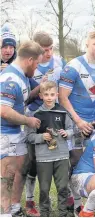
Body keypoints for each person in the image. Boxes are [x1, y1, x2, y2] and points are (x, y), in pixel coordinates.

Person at [59, 30, 95, 212]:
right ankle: (76, 203)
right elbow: (63, 98)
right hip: (72, 122)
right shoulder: (73, 66)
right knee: (75, 161)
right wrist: (78, 121)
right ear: (87, 45)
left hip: (93, 124)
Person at [24, 31, 66, 217]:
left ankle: (67, 197)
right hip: (34, 114)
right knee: (33, 161)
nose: (48, 53)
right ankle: (30, 200)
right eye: (44, 50)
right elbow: (24, 98)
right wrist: (40, 87)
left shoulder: (59, 62)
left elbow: (64, 88)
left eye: (50, 49)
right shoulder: (28, 65)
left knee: (61, 156)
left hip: (55, 114)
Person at [0, 41, 44, 216]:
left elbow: (20, 101)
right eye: (38, 64)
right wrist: (27, 120)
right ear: (30, 60)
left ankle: (15, 207)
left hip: (17, 133)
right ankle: (4, 212)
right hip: (6, 134)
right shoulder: (10, 79)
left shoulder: (23, 75)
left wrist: (39, 90)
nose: (38, 67)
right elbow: (3, 111)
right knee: (7, 175)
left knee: (21, 169)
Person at [26, 81, 73, 217]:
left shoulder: (63, 112)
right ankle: (45, 213)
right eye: (46, 94)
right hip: (44, 158)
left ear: (57, 95)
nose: (49, 97)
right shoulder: (36, 114)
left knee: (63, 187)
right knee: (44, 189)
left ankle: (63, 213)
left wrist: (67, 133)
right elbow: (29, 137)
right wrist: (41, 137)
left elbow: (72, 129)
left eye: (52, 94)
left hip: (62, 156)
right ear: (40, 96)